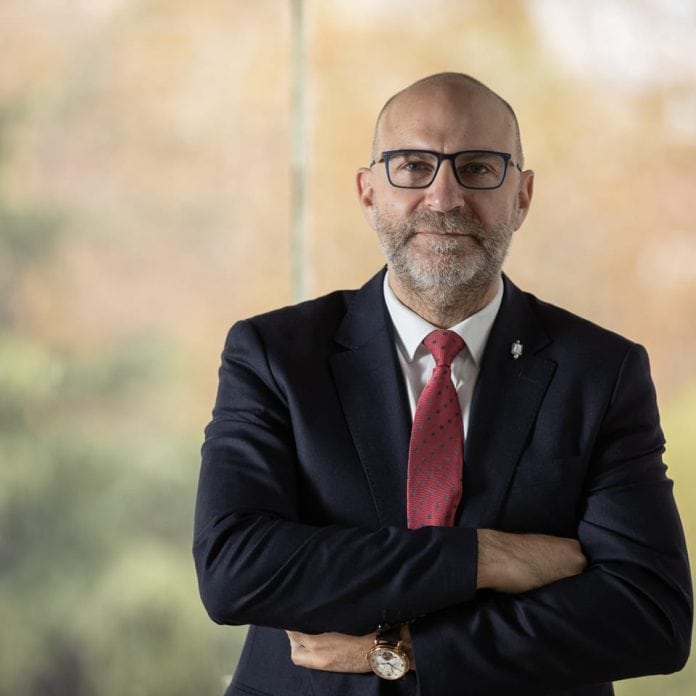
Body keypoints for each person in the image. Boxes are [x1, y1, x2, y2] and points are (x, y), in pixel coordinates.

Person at [193, 72, 692, 695]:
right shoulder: (274, 355)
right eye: (413, 166)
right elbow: (235, 569)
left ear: (523, 197)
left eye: (478, 168)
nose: (444, 197)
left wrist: (400, 651)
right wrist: (485, 557)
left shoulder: (601, 372)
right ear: (368, 192)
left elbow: (649, 614)